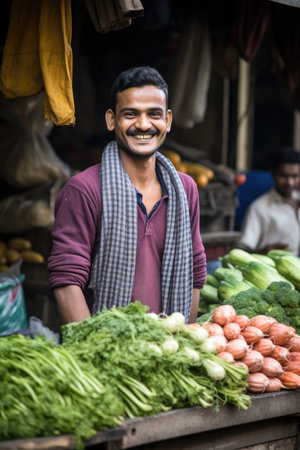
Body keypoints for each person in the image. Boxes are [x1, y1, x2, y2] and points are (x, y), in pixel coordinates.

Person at [48, 66, 207, 325]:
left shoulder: (185, 189)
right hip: (103, 349)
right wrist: (94, 350)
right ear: (111, 120)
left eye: (154, 114)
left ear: (167, 120)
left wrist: (181, 342)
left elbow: (195, 271)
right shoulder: (84, 190)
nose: (143, 125)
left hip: (167, 347)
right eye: (130, 114)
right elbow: (67, 279)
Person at [238, 146, 300, 255]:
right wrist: (264, 251)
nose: (289, 182)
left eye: (295, 176)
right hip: (273, 269)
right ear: (273, 173)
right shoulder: (259, 208)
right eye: (283, 176)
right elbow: (241, 250)